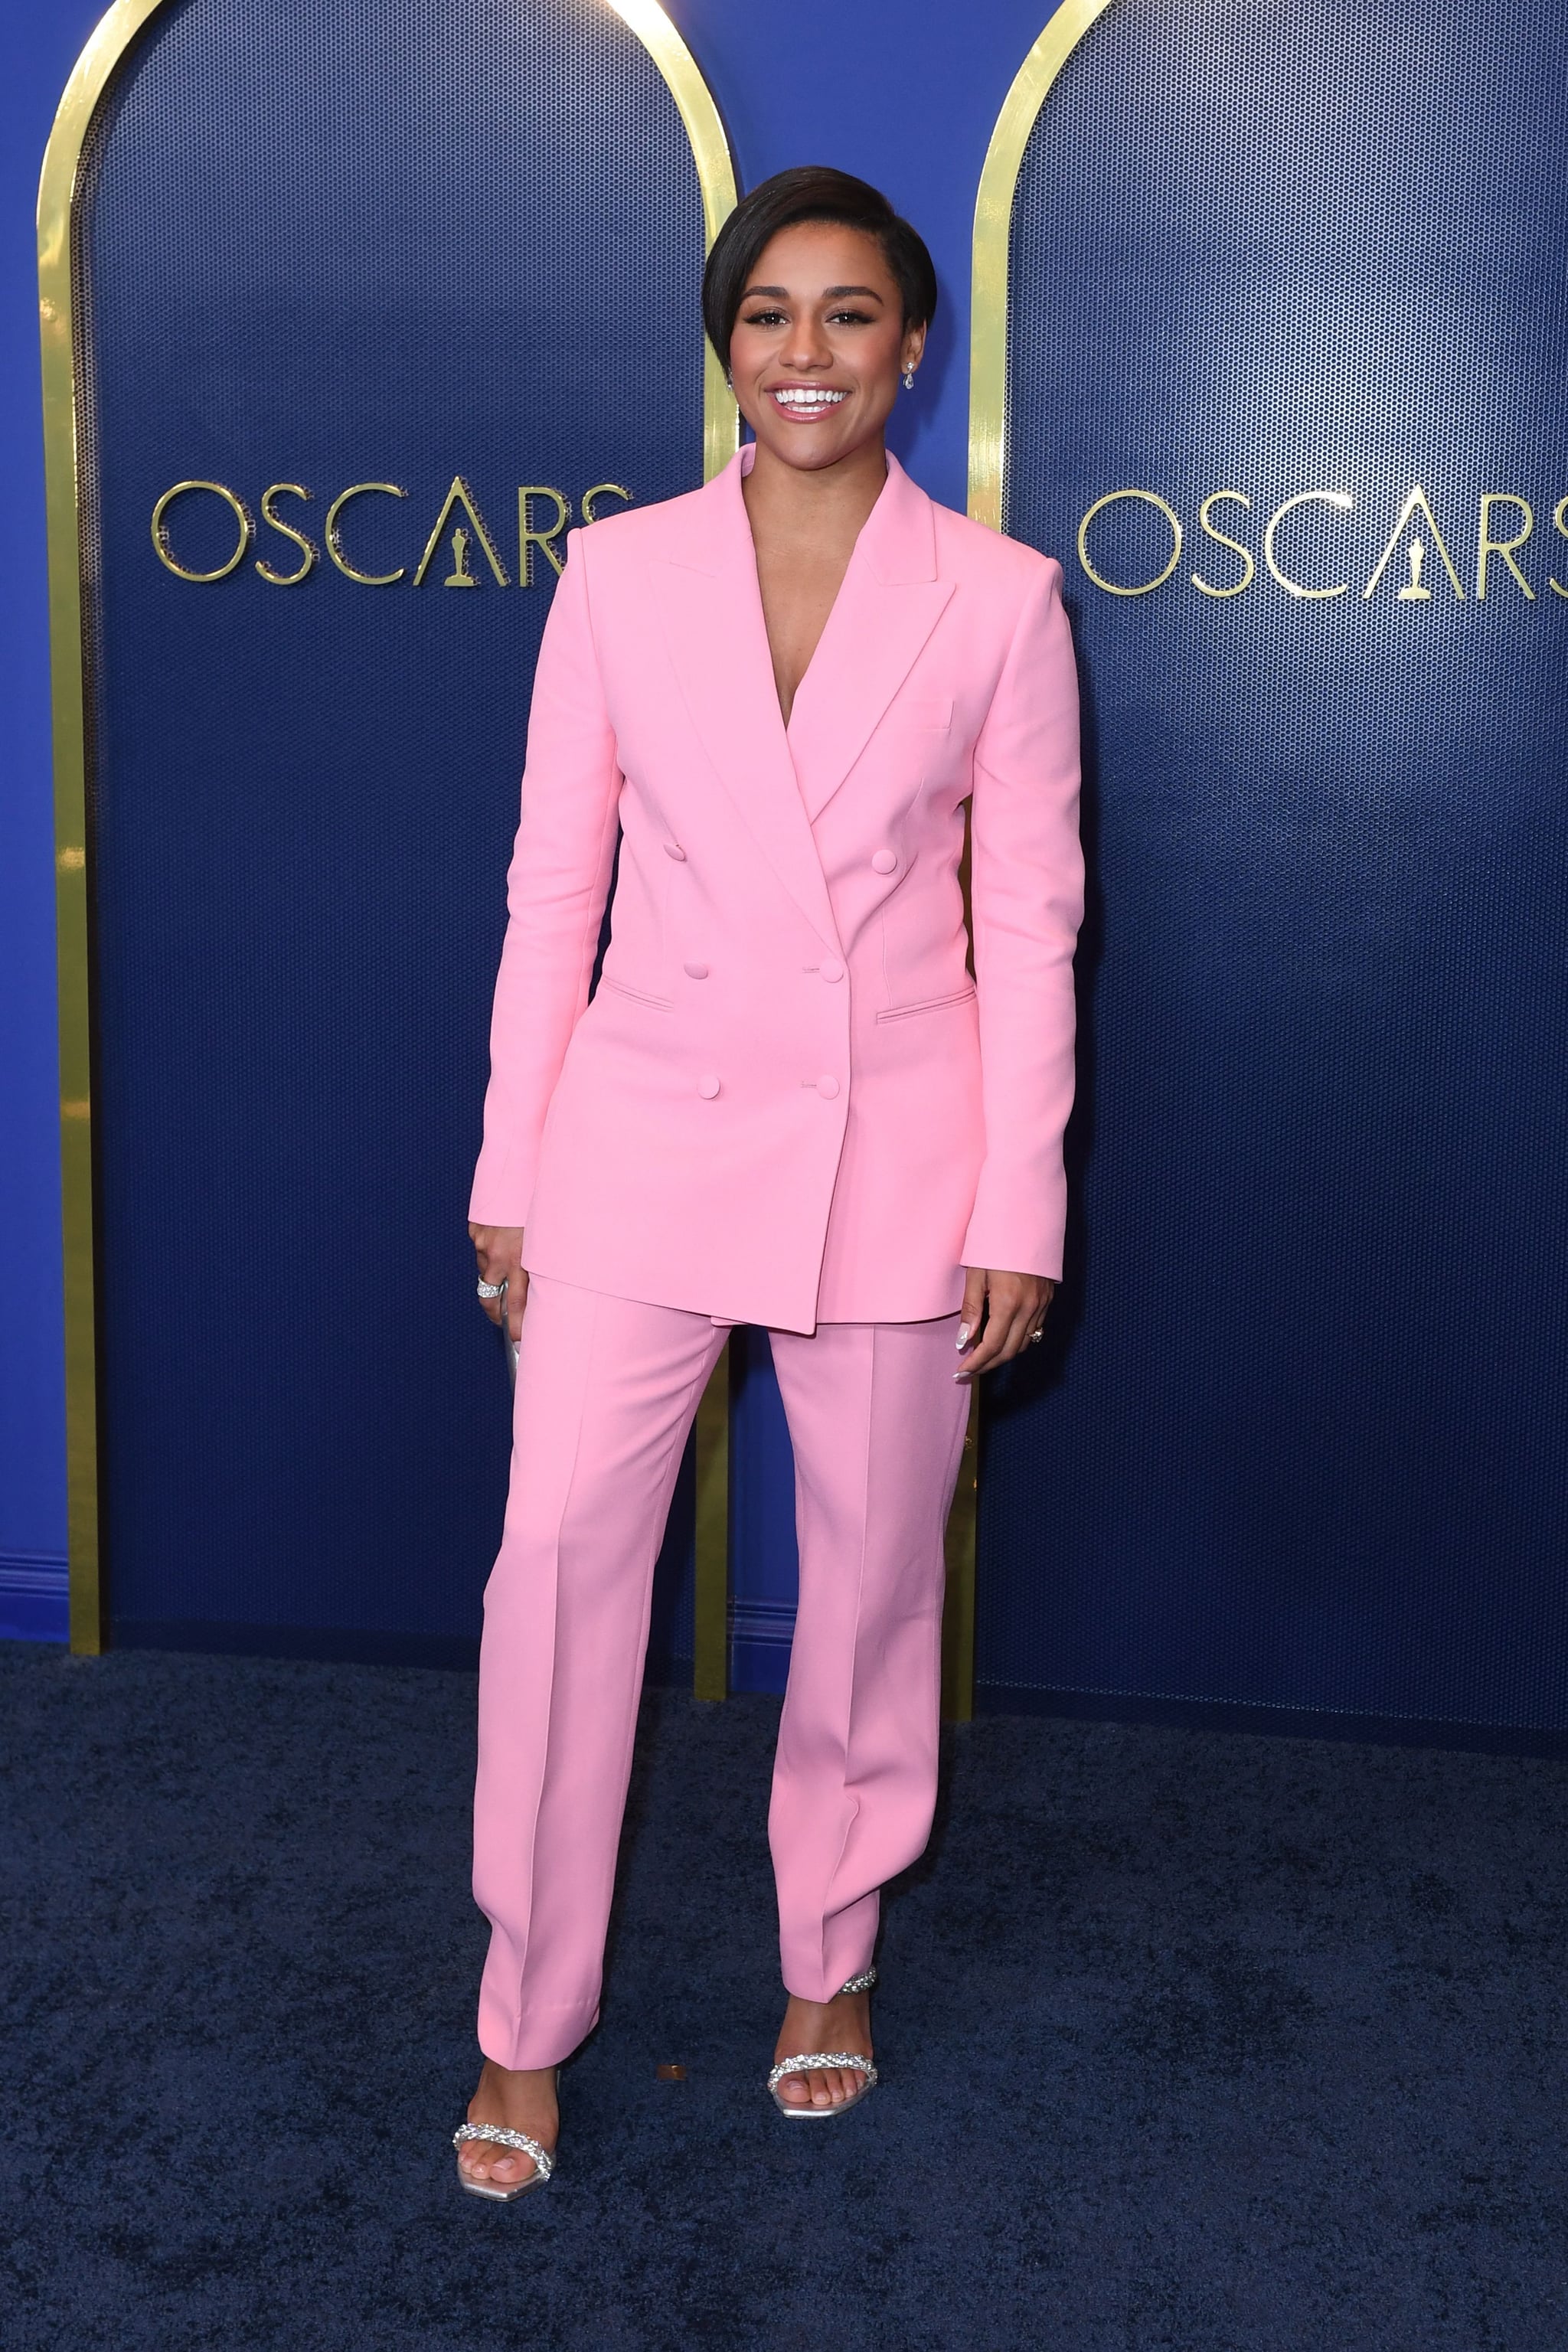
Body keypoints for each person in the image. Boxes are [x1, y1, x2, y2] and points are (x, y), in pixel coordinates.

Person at [453, 166, 1083, 2198]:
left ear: (915, 344)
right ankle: (525, 2014)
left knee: (873, 1586)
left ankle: (831, 1959)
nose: (805, 352)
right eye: (768, 315)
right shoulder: (617, 578)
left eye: (850, 313)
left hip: (898, 1152)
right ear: (725, 344)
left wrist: (1019, 1205)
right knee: (557, 1566)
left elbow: (1037, 928)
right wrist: (512, 1165)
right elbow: (554, 892)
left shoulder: (1000, 600)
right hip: (636, 1134)